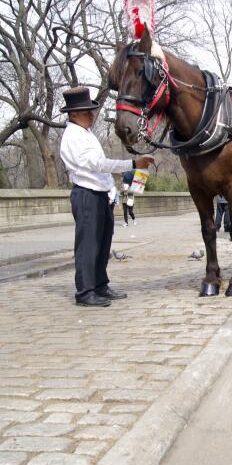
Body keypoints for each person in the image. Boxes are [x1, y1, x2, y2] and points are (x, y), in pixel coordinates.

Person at [60, 86, 152, 307]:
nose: (91, 115)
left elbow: (98, 170)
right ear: (73, 114)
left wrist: (111, 191)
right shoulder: (73, 136)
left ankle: (100, 284)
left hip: (100, 194)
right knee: (88, 245)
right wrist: (132, 164)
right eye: (86, 112)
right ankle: (85, 291)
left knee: (102, 243)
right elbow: (97, 165)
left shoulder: (86, 133)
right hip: (86, 195)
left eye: (91, 110)